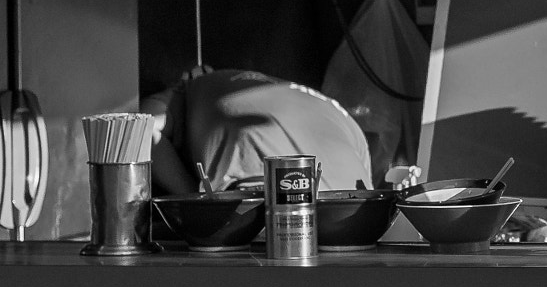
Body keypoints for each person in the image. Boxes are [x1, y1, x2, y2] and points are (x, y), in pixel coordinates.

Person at [144, 66, 374, 194]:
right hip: (355, 211)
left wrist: (193, 199)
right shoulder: (325, 105)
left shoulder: (190, 86)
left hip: (259, 203)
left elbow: (142, 128)